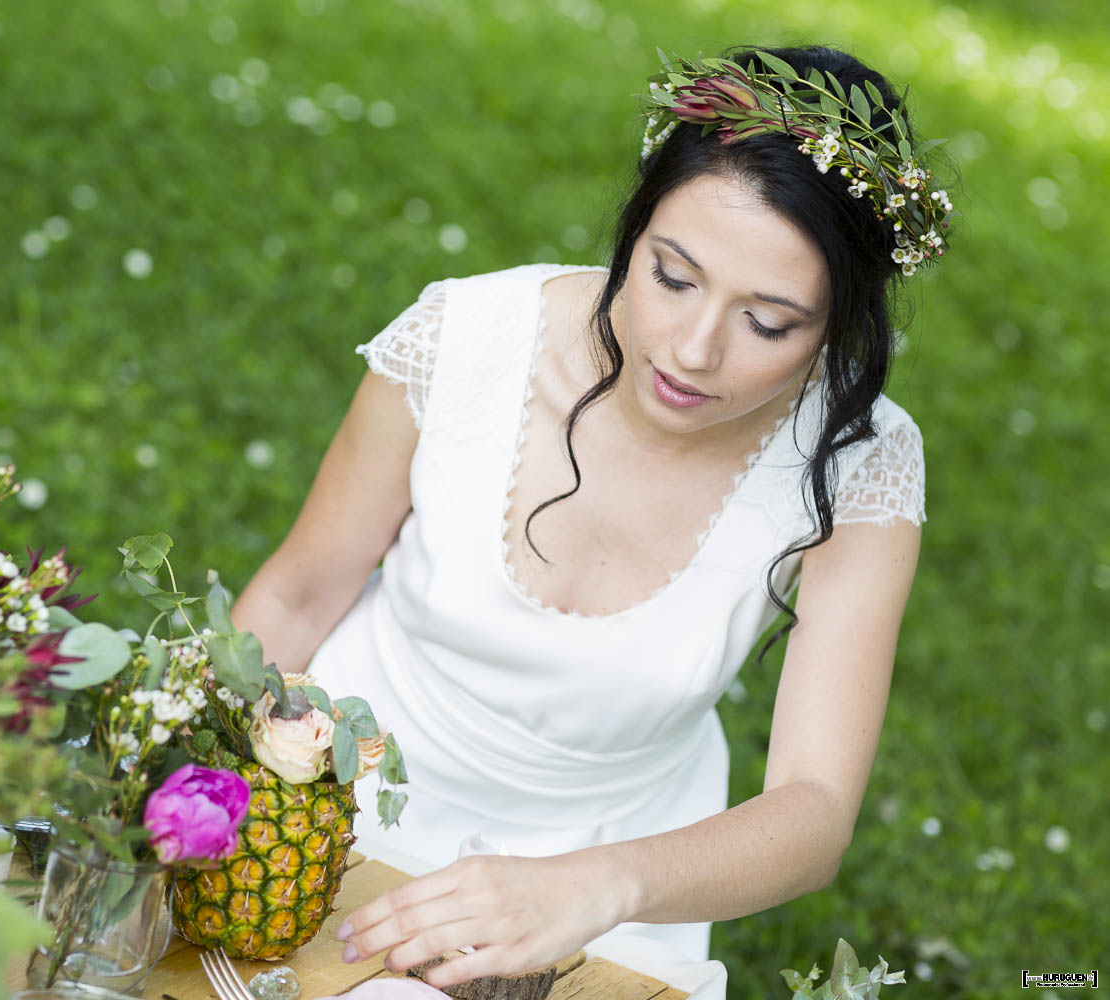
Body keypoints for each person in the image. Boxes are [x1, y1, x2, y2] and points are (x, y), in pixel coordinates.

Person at [230, 43, 946, 1000]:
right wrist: (203, 774)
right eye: (672, 275)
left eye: (769, 323)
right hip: (328, 805)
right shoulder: (464, 338)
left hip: (615, 879)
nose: (692, 350)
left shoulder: (861, 458)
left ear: (837, 328)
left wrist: (599, 886)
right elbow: (300, 588)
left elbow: (813, 810)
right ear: (634, 225)